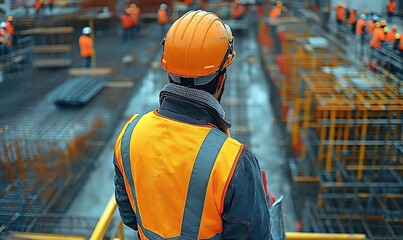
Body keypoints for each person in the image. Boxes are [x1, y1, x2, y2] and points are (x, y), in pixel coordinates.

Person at [113, 10, 273, 239]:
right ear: (221, 79)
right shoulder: (233, 162)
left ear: (169, 74)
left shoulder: (129, 134)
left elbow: (129, 217)